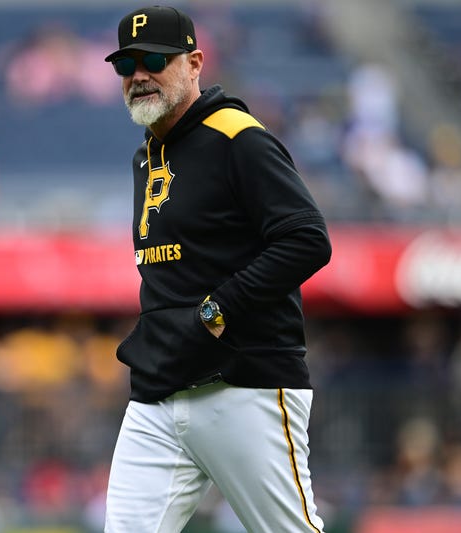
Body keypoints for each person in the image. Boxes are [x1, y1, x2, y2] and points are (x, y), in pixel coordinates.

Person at [102, 6, 331, 532]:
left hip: (242, 384)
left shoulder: (237, 136)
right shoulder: (146, 154)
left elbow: (307, 239)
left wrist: (217, 309)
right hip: (159, 393)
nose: (139, 75)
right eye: (126, 65)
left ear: (194, 62)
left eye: (155, 59)